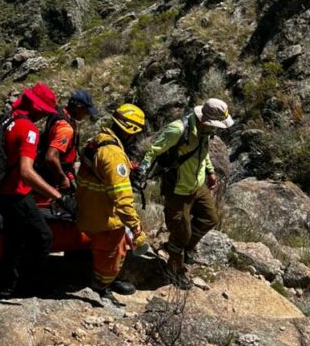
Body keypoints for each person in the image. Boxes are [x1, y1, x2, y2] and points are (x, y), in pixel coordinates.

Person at [137, 97, 234, 290]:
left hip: (197, 186)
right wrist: (142, 171)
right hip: (177, 190)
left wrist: (210, 171)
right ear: (205, 119)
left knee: (210, 218)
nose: (217, 129)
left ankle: (179, 249)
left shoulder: (205, 132)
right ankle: (175, 269)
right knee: (182, 232)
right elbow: (153, 151)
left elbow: (202, 152)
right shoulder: (178, 130)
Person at [0, 82, 75, 297]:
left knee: (14, 236)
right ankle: (29, 286)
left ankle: (7, 283)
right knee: (43, 237)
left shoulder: (8, 119)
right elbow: (26, 172)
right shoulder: (28, 129)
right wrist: (58, 197)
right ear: (38, 108)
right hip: (15, 193)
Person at [76, 103, 150, 304]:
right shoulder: (114, 154)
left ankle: (105, 280)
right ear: (130, 131)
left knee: (107, 250)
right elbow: (123, 200)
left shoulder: (100, 140)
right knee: (112, 253)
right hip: (104, 217)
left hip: (89, 207)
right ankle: (101, 287)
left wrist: (128, 167)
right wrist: (136, 229)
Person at [37, 89, 99, 190]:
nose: (86, 115)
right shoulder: (65, 128)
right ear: (78, 108)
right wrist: (62, 178)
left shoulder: (60, 114)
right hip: (52, 177)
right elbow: (51, 157)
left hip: (53, 170)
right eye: (86, 111)